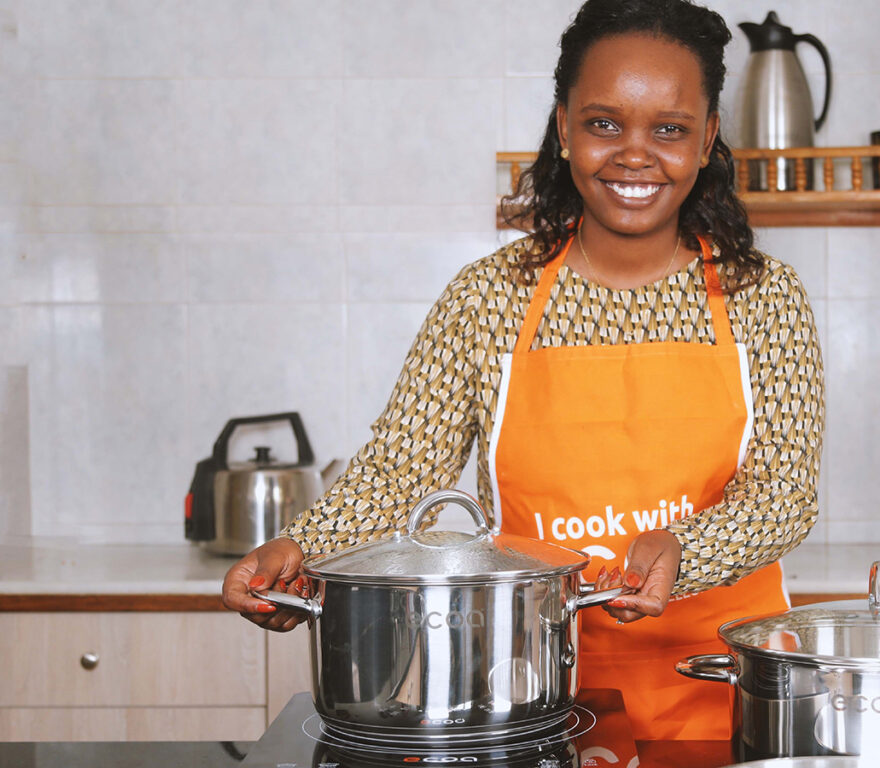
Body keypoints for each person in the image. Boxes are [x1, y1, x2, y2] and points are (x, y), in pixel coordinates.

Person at [221, 0, 823, 742]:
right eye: (604, 123)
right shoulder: (488, 298)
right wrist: (300, 551)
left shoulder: (765, 299)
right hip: (528, 692)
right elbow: (399, 473)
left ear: (706, 141)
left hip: (725, 695)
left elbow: (785, 494)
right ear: (564, 128)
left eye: (668, 128)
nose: (635, 154)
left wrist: (682, 550)